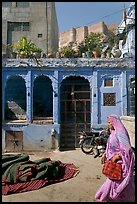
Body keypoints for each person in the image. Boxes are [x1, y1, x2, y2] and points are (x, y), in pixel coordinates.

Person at [95, 114, 135, 202]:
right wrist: (105, 153)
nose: (108, 124)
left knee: (117, 183)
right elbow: (110, 145)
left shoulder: (120, 133)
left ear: (114, 122)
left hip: (120, 163)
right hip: (112, 162)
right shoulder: (113, 132)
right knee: (112, 180)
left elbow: (127, 150)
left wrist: (116, 157)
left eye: (109, 122)